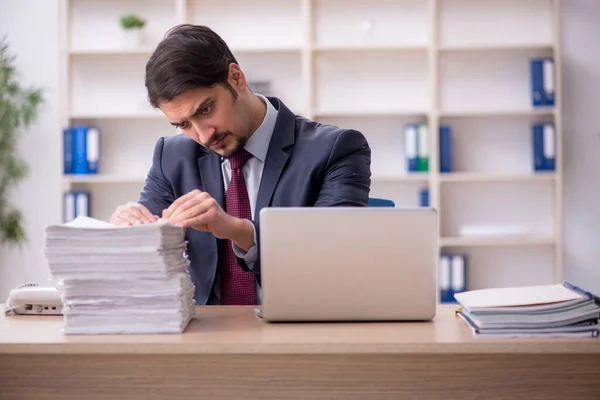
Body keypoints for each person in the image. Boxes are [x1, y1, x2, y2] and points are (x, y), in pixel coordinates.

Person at [109, 24, 372, 306]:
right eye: (184, 124)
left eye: (206, 109)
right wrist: (127, 233)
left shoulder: (335, 149)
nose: (203, 135)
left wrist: (237, 230)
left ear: (236, 78)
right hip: (199, 336)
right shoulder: (172, 156)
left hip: (297, 331)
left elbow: (337, 254)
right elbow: (148, 261)